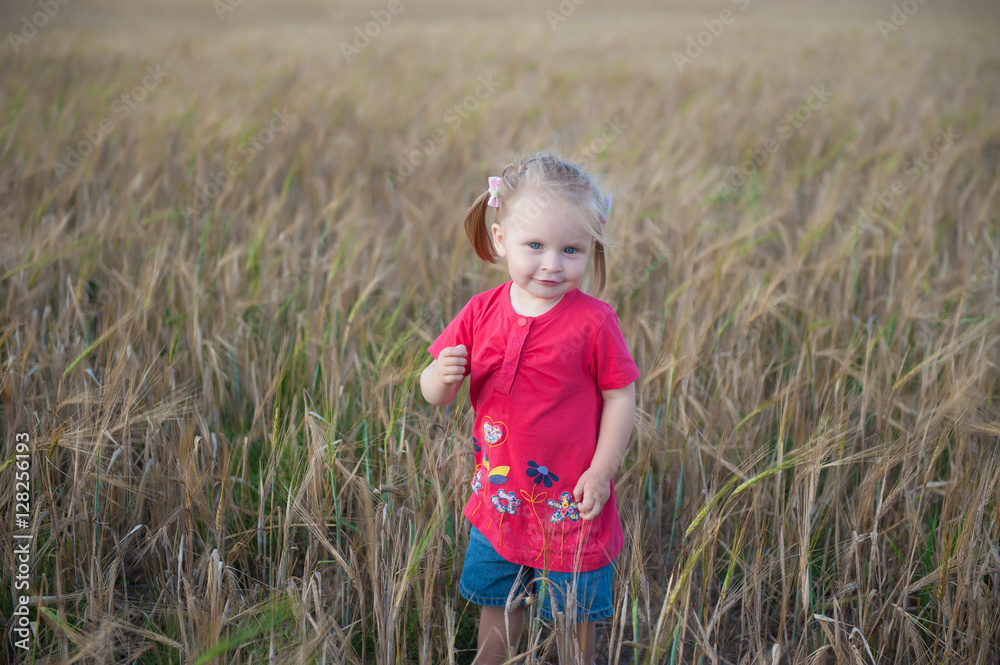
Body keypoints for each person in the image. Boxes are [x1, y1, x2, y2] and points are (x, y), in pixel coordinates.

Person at [420, 153, 639, 665]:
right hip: (501, 500)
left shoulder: (594, 322)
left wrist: (602, 470)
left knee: (573, 626)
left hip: (573, 504)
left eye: (571, 250)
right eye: (535, 246)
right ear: (500, 240)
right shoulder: (480, 312)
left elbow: (620, 396)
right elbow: (434, 392)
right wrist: (440, 377)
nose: (552, 264)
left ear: (592, 249)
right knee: (499, 611)